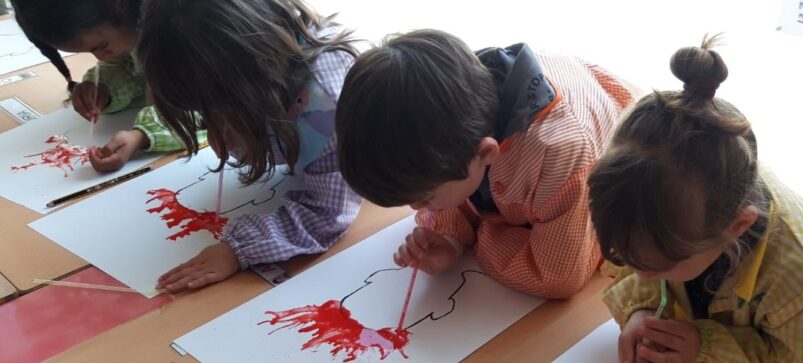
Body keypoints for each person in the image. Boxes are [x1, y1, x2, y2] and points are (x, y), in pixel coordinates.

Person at [589, 36, 803, 363]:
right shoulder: (685, 207)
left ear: (738, 226)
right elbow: (645, 272)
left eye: (659, 265)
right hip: (728, 342)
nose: (642, 275)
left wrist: (703, 348)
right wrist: (641, 310)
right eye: (632, 261)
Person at [335, 29, 637, 298]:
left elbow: (559, 276)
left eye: (426, 198)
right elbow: (455, 182)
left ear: (486, 154)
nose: (417, 209)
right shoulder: (455, 111)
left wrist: (480, 235)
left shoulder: (560, 154)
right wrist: (450, 238)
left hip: (624, 164)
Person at [136, 0, 363, 293]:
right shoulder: (255, 51)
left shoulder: (326, 107)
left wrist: (238, 248)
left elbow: (328, 214)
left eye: (216, 105)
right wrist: (225, 123)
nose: (212, 117)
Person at [11, 0, 198, 171]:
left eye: (101, 45)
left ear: (121, 6)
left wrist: (144, 135)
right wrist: (105, 89)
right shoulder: (133, 26)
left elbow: (205, 108)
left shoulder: (190, 26)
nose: (100, 57)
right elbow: (134, 67)